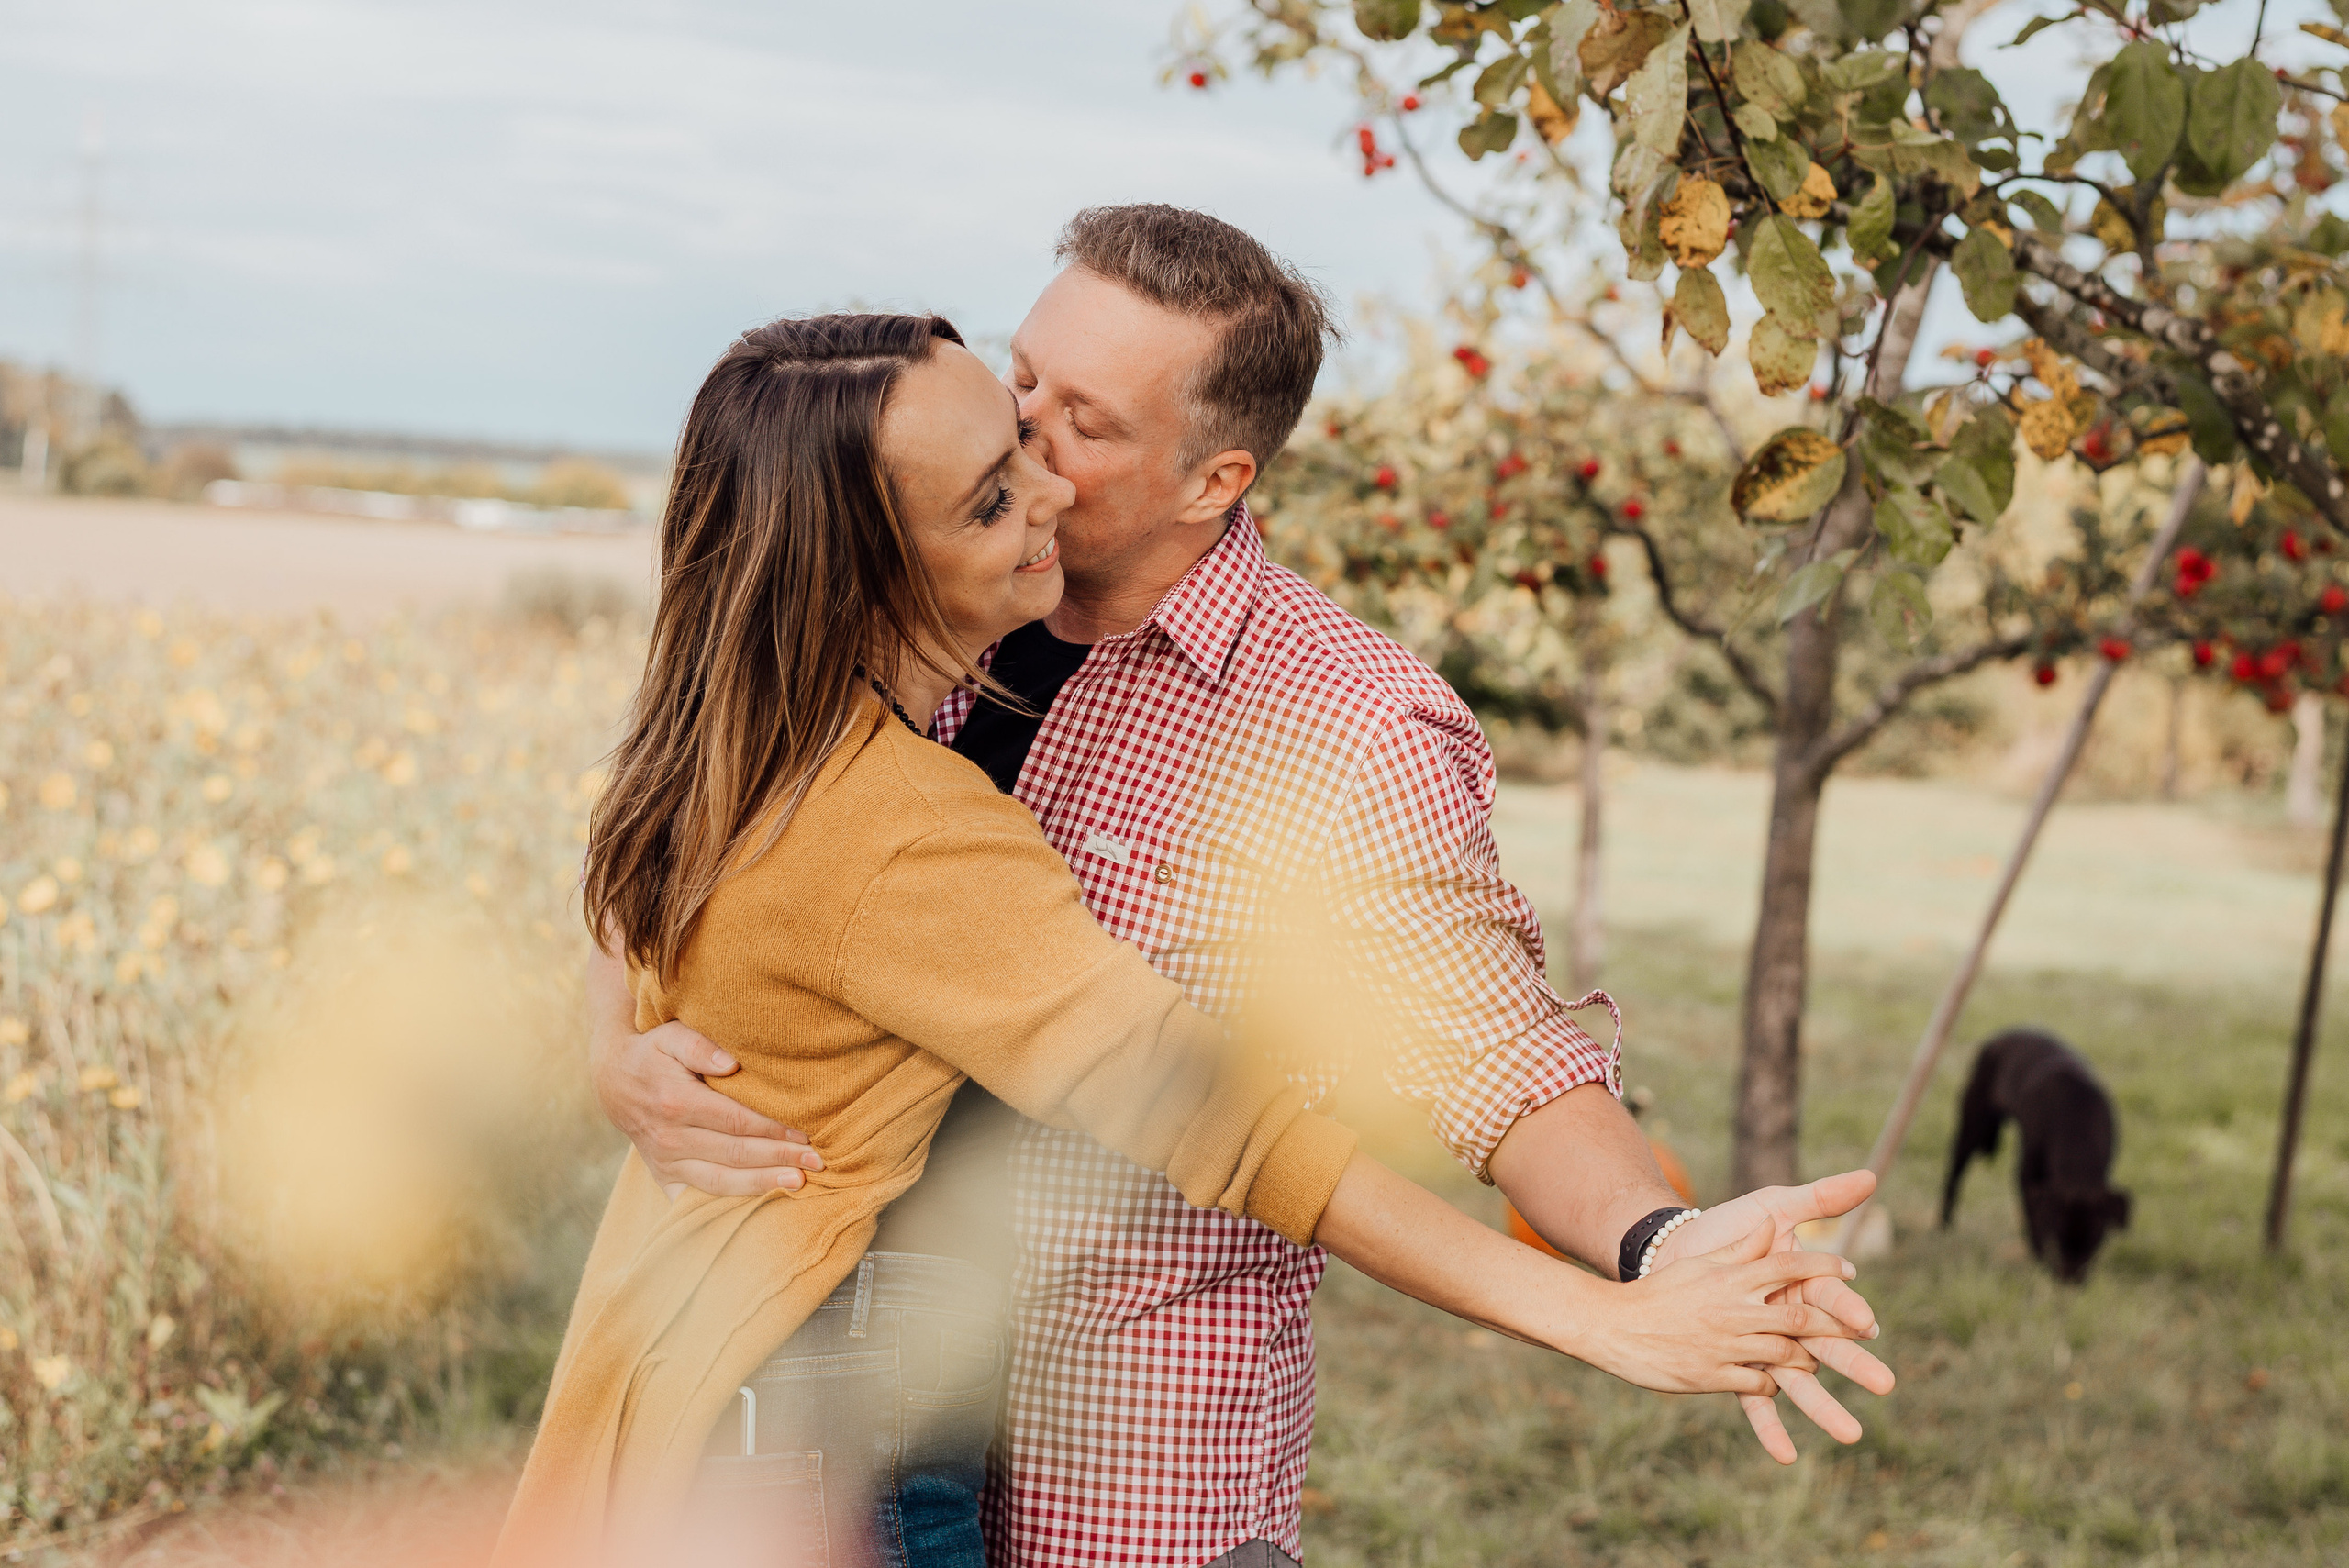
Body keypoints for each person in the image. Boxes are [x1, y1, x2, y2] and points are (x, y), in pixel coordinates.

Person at [588, 210, 1894, 1568]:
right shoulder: (916, 599)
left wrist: (1656, 1241)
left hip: (1125, 1490)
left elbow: (1491, 1046)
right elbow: (688, 807)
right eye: (1023, 377)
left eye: (1080, 422)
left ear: (1213, 479)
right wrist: (613, 1041)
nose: (1023, 437)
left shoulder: (1344, 721)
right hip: (836, 1447)